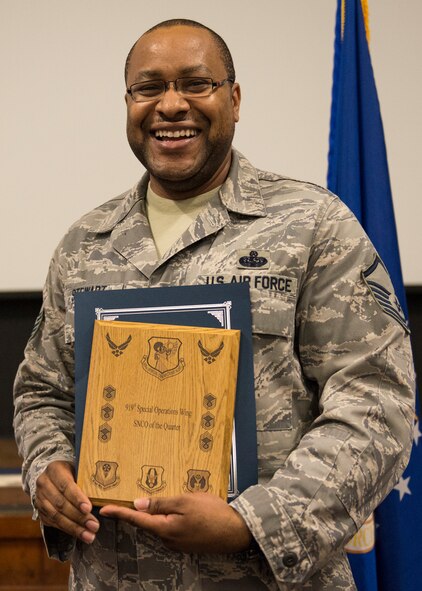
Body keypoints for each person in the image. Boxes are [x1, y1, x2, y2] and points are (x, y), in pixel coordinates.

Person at [13, 18, 415, 591]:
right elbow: (43, 391)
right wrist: (46, 469)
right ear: (128, 103)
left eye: (195, 84)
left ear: (234, 98)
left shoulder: (313, 227)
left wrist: (252, 522)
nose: (170, 105)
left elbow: (378, 404)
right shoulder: (84, 246)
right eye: (148, 88)